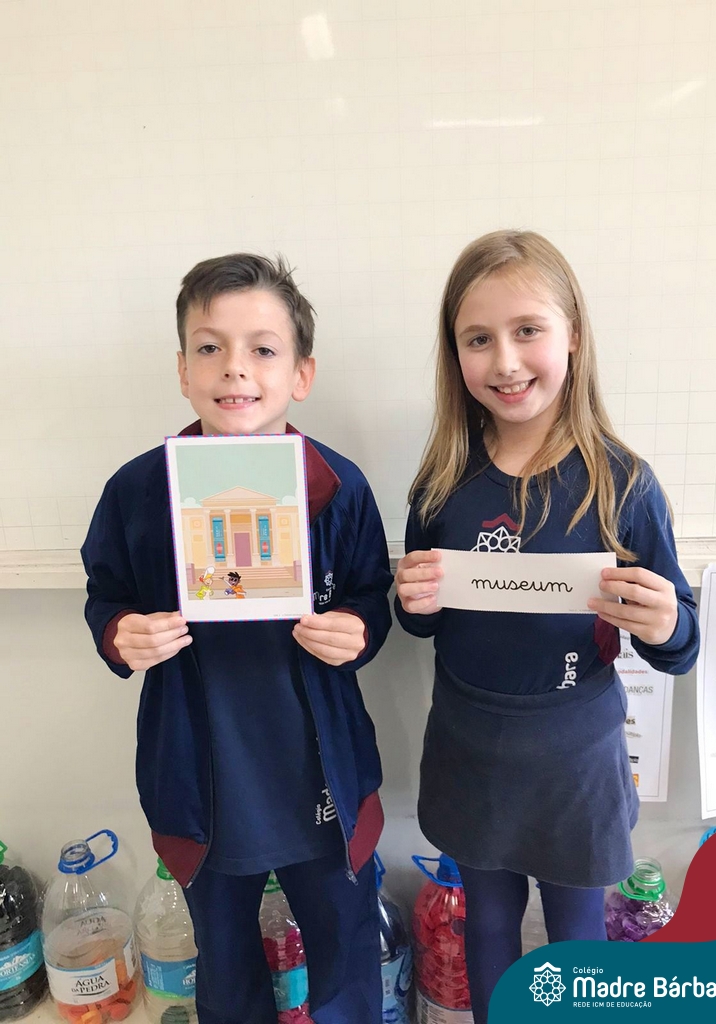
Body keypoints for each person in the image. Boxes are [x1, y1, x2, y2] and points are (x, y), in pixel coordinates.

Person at [394, 230, 699, 1023]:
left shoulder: (624, 484)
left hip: (575, 755)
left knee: (575, 932)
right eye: (478, 339)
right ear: (454, 354)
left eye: (527, 329)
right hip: (469, 746)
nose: (505, 361)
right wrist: (410, 601)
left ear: (573, 335)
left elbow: (680, 646)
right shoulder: (441, 483)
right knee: (488, 922)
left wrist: (667, 621)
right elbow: (422, 623)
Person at [81, 253, 392, 1024]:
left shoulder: (340, 488)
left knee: (346, 951)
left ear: (302, 374)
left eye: (263, 348)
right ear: (182, 370)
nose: (235, 369)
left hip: (319, 779)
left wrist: (359, 628)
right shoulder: (138, 492)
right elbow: (106, 595)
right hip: (205, 782)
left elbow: (369, 595)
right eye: (210, 347)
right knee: (223, 963)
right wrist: (122, 633)